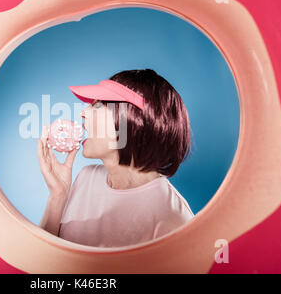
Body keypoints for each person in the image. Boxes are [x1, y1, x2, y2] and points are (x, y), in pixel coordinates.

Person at [37, 69, 194, 247]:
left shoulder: (173, 219)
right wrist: (58, 195)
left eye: (97, 106)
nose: (83, 113)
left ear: (134, 120)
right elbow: (44, 262)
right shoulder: (86, 177)